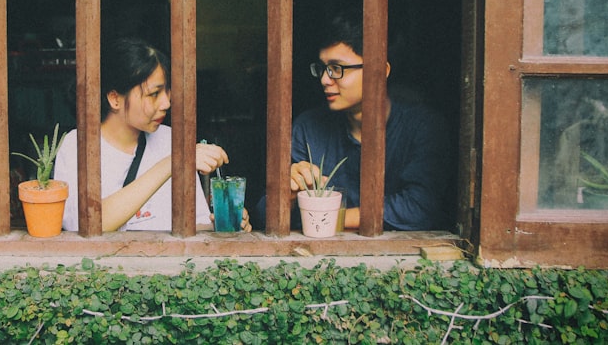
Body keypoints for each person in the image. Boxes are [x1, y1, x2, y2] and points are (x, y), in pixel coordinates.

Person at [276, 13, 454, 231]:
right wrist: (289, 194)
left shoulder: (422, 126)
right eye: (322, 68)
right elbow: (267, 213)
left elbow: (419, 207)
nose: (324, 79)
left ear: (380, 72)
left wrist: (327, 217)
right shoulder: (308, 128)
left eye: (336, 68)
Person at [54, 37, 251, 232]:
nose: (166, 103)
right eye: (154, 94)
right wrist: (174, 162)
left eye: (167, 92)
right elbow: (84, 226)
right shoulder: (77, 145)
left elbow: (194, 223)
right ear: (114, 99)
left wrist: (219, 226)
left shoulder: (171, 140)